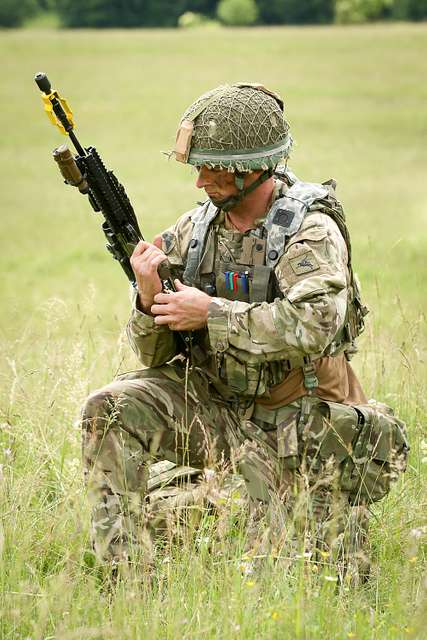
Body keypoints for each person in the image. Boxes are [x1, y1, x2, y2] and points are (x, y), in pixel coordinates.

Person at [81, 83, 408, 579]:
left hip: (295, 420)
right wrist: (149, 301)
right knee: (110, 407)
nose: (199, 183)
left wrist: (210, 313)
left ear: (249, 168)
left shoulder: (309, 232)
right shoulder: (196, 229)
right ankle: (124, 580)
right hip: (220, 407)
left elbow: (314, 326)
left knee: (294, 568)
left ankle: (245, 505)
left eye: (210, 169)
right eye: (198, 168)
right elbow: (153, 356)